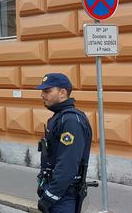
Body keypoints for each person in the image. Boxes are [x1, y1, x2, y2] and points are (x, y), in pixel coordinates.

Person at [36, 73, 92, 213]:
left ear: (62, 93)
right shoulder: (59, 117)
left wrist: (50, 196)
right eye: (42, 91)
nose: (42, 95)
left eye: (47, 91)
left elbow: (68, 164)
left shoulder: (71, 120)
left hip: (64, 195)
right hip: (57, 190)